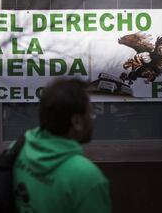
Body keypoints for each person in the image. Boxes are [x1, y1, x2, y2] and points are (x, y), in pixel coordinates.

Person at [13, 78, 112, 213]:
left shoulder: (16, 149)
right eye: (90, 113)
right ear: (76, 121)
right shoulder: (88, 178)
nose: (92, 118)